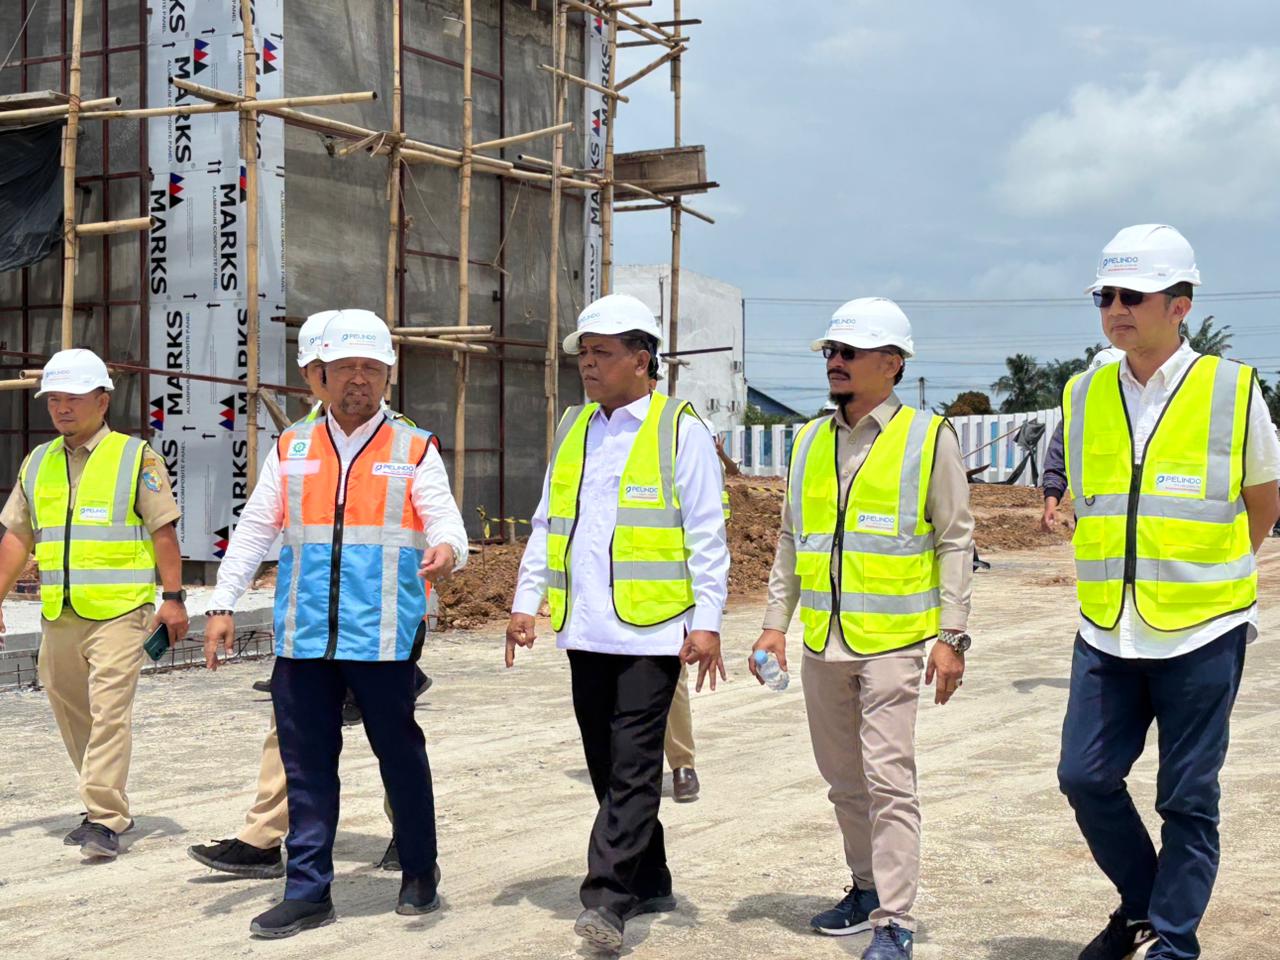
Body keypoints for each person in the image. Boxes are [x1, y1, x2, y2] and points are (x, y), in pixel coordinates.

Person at [201, 309, 469, 938]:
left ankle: (419, 872)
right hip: (304, 637)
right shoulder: (292, 447)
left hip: (382, 635)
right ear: (318, 375)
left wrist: (449, 550)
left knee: (399, 757)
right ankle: (307, 890)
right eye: (346, 367)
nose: (359, 379)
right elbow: (254, 530)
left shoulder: (413, 447)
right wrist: (222, 603)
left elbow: (446, 521)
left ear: (388, 377)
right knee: (306, 767)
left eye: (372, 368)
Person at [1057, 225, 1280, 960]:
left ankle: (1172, 942)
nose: (1116, 308)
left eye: (1134, 295)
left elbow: (1263, 500)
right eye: (1106, 296)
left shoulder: (1232, 389)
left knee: (1186, 796)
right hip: (1106, 627)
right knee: (1084, 776)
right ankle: (1142, 906)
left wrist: (1213, 575)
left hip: (1202, 630)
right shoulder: (1082, 392)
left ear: (1180, 305)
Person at [506, 293, 729, 952]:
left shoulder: (679, 429)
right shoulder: (574, 427)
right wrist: (525, 602)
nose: (588, 364)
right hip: (585, 629)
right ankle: (650, 876)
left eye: (602, 353)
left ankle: (606, 898)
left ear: (642, 358)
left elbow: (706, 533)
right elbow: (548, 520)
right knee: (606, 766)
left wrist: (707, 621)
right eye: (584, 353)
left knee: (633, 767)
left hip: (652, 632)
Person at [752, 298, 974, 960]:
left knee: (888, 780)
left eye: (850, 352)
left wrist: (951, 636)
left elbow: (955, 540)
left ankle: (894, 919)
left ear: (893, 363)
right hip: (824, 642)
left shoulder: (929, 438)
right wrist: (774, 625)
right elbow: (791, 539)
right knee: (843, 781)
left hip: (896, 644)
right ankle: (865, 885)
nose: (836, 362)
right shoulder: (808, 441)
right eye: (831, 352)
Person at [0, 348, 188, 860]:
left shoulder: (135, 457)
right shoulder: (37, 462)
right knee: (71, 710)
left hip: (121, 612)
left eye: (74, 398)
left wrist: (173, 598)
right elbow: (17, 536)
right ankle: (100, 803)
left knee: (109, 713)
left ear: (102, 401)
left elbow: (163, 531)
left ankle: (105, 818)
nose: (62, 408)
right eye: (54, 399)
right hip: (59, 614)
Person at [1042, 347, 1125, 533]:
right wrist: (1051, 505)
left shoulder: (1142, 419)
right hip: (1090, 519)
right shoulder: (1076, 421)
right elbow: (1056, 464)